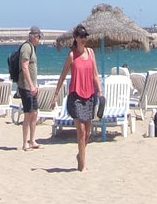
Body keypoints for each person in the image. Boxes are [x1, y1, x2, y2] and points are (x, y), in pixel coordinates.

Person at [54, 25, 103, 172]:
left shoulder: (91, 52)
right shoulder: (71, 56)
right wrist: (56, 94)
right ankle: (82, 165)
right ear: (75, 37)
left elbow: (95, 74)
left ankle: (79, 155)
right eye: (81, 36)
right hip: (75, 96)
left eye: (85, 36)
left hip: (89, 96)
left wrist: (99, 91)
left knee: (88, 133)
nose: (84, 39)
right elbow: (62, 76)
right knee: (81, 131)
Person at [18, 26, 42, 151]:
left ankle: (32, 140)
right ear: (33, 36)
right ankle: (25, 142)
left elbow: (33, 69)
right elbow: (25, 67)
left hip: (32, 86)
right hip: (26, 87)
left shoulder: (33, 48)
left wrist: (35, 84)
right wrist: (31, 85)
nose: (39, 39)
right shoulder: (26, 47)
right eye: (38, 37)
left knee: (34, 113)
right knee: (28, 114)